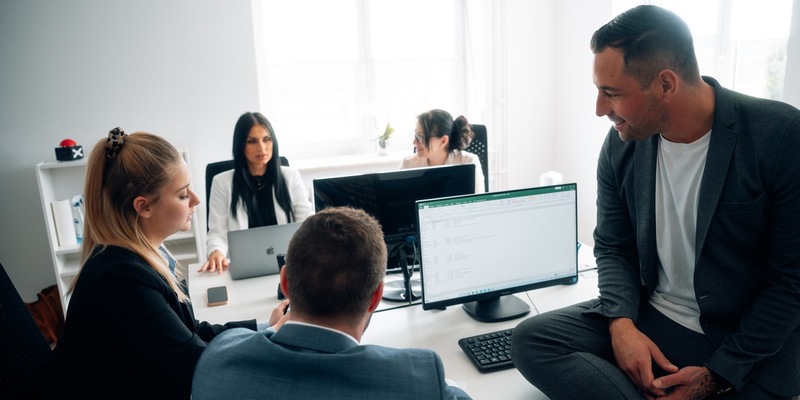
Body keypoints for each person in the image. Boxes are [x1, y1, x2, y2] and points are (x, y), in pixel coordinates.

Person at [511, 5, 800, 400]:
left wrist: (717, 375)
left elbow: (790, 283)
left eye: (611, 93)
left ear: (665, 84)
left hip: (741, 338)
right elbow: (613, 246)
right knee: (531, 340)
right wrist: (622, 326)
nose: (599, 109)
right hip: (653, 316)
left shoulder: (781, 137)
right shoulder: (620, 145)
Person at [46, 128, 288, 399]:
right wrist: (271, 339)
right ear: (144, 207)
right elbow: (198, 363)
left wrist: (266, 327)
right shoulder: (121, 277)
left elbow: (191, 333)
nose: (195, 200)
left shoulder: (140, 258)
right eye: (183, 194)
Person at [192, 206, 472, 400]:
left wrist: (274, 328)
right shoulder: (416, 378)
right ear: (376, 296)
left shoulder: (219, 357)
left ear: (286, 283)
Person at [202, 111, 312, 273]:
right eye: (252, 141)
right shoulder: (222, 183)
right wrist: (216, 251)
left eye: (266, 139)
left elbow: (307, 224)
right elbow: (217, 233)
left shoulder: (291, 177)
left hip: (289, 266)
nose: (261, 147)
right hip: (246, 268)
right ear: (241, 146)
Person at [400, 109, 486, 194]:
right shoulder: (408, 164)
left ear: (443, 141)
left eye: (421, 137)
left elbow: (478, 203)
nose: (414, 142)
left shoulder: (469, 162)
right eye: (416, 135)